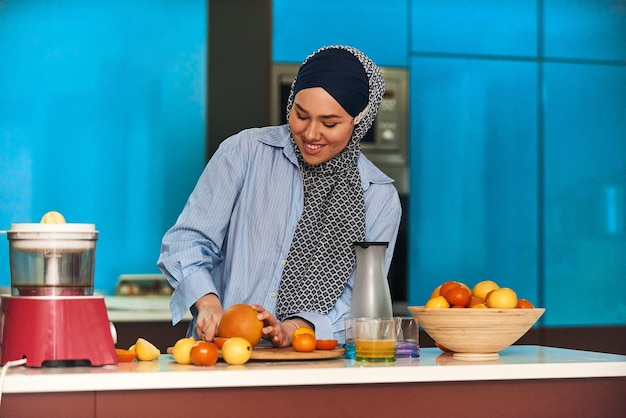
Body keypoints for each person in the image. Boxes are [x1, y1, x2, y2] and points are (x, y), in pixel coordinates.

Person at [157, 45, 402, 347]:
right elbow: (186, 243)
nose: (311, 134)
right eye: (301, 115)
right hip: (221, 360)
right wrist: (208, 305)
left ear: (360, 120)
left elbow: (362, 301)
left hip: (314, 371)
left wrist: (296, 329)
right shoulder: (244, 152)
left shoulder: (379, 198)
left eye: (330, 123)